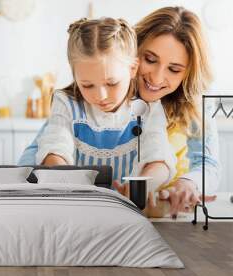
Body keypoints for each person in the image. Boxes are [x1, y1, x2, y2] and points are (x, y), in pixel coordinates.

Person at [18, 7, 220, 217]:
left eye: (174, 69)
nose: (157, 78)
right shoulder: (86, 96)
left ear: (188, 72)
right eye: (150, 59)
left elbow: (207, 164)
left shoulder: (189, 104)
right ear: (132, 56)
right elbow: (44, 148)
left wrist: (189, 183)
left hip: (164, 211)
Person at [35, 17, 176, 195]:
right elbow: (55, 149)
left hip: (129, 208)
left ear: (133, 68)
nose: (100, 96)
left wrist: (142, 187)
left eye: (111, 83)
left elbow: (158, 158)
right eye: (87, 85)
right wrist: (68, 182)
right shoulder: (66, 103)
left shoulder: (149, 109)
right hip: (78, 205)